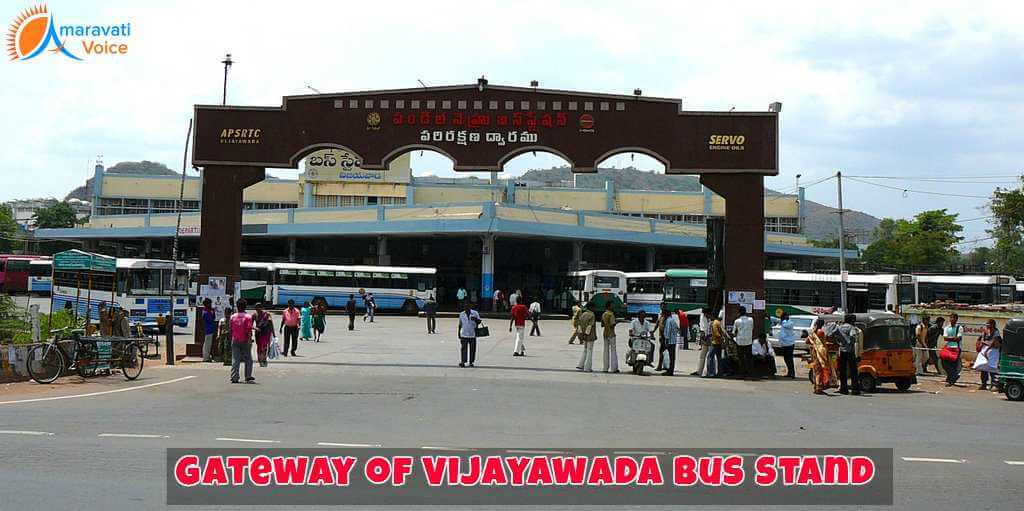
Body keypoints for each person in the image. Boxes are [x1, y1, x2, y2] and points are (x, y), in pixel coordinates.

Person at [836, 314, 863, 395]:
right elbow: (852, 336)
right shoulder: (852, 328)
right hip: (850, 351)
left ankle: (843, 389)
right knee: (853, 371)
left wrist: (840, 343)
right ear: (851, 320)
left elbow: (835, 336)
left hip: (842, 351)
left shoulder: (839, 327)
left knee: (842, 371)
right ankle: (855, 389)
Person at [229, 299, 255, 384]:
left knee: (235, 359)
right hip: (245, 340)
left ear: (237, 306)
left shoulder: (233, 316)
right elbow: (248, 330)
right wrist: (249, 340)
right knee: (248, 359)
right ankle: (247, 376)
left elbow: (231, 329)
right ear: (245, 306)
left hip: (235, 339)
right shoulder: (248, 317)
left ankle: (234, 377)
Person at [806, 319, 836, 395]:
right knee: (821, 370)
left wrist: (814, 345)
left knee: (816, 370)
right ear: (822, 325)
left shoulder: (812, 332)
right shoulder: (821, 332)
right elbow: (824, 343)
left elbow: (807, 341)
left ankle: (817, 387)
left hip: (814, 353)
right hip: (820, 353)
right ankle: (819, 388)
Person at [976, 319, 1001, 391]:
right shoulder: (985, 331)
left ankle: (994, 385)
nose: (987, 325)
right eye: (986, 324)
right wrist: (983, 347)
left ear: (993, 324)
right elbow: (982, 340)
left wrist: (986, 347)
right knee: (983, 367)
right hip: (984, 351)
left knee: (992, 368)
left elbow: (993, 343)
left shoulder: (996, 332)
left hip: (993, 351)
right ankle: (984, 384)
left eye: (988, 324)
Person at [942, 314, 965, 386]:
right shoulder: (946, 327)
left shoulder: (959, 327)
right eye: (951, 317)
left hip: (956, 348)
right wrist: (953, 338)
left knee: (954, 365)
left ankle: (951, 380)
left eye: (954, 318)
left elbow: (959, 338)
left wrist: (950, 338)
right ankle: (954, 376)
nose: (952, 319)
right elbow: (945, 338)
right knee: (944, 363)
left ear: (956, 319)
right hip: (948, 347)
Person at [457, 302, 481, 367]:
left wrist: (475, 319)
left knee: (472, 349)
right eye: (465, 307)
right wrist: (458, 332)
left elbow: (479, 321)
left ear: (470, 307)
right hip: (464, 334)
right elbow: (460, 324)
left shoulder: (475, 313)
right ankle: (463, 361)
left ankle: (471, 362)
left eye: (467, 307)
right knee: (463, 348)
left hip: (472, 334)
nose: (466, 308)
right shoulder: (461, 314)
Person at [733, 310, 755, 379]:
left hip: (740, 342)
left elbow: (733, 332)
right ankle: (750, 374)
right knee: (749, 358)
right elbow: (752, 328)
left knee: (741, 358)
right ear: (746, 312)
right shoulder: (751, 320)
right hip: (748, 341)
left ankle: (742, 374)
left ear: (739, 313)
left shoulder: (737, 321)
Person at [576, 302, 597, 372]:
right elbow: (590, 326)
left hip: (582, 334)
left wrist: (581, 334)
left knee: (585, 350)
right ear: (591, 307)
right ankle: (587, 367)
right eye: (593, 307)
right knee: (590, 351)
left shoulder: (583, 314)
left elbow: (579, 325)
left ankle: (580, 365)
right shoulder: (592, 315)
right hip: (590, 335)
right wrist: (586, 334)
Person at [704, 310, 725, 378]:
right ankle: (720, 373)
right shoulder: (718, 322)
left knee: (710, 357)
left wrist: (718, 338)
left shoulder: (714, 323)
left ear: (712, 316)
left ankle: (710, 373)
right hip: (719, 343)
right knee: (719, 358)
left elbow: (716, 334)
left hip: (715, 343)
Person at [776, 312, 797, 378]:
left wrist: (783, 320)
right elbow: (776, 320)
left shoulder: (790, 323)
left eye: (783, 317)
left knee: (789, 359)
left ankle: (792, 373)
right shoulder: (783, 322)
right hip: (784, 344)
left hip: (789, 344)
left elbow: (785, 325)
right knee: (786, 359)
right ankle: (789, 372)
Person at [692, 308, 712, 376]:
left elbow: (705, 328)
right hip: (705, 336)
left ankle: (708, 372)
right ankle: (700, 371)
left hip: (707, 337)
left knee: (708, 356)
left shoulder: (706, 318)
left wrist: (705, 336)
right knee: (704, 356)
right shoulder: (704, 317)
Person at [253, 302, 274, 367]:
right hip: (258, 333)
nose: (258, 309)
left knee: (264, 346)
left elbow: (271, 323)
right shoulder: (254, 315)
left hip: (266, 332)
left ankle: (264, 358)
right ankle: (260, 359)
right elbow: (249, 324)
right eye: (257, 307)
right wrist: (255, 328)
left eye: (259, 307)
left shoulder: (267, 314)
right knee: (259, 346)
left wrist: (273, 333)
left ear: (262, 307)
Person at [601, 301, 619, 373]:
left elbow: (602, 324)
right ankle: (614, 368)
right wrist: (617, 321)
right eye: (612, 305)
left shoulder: (604, 314)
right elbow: (612, 325)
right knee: (613, 351)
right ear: (608, 306)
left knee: (605, 351)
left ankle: (605, 368)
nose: (613, 307)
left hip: (605, 333)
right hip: (611, 334)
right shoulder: (611, 314)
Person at [661, 307, 680, 376]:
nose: (663, 316)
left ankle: (670, 371)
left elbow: (668, 331)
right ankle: (670, 370)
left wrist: (667, 341)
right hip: (673, 341)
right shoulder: (672, 320)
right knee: (672, 357)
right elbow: (677, 329)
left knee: (671, 357)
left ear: (666, 314)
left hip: (670, 342)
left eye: (663, 315)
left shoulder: (668, 321)